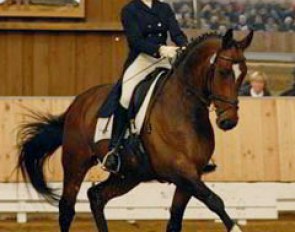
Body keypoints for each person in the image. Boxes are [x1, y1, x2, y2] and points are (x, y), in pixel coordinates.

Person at [102, 0, 188, 173]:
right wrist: (160, 49)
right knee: (125, 97)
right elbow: (135, 41)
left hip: (164, 60)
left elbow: (176, 32)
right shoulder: (129, 10)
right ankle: (114, 150)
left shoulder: (163, 8)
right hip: (142, 59)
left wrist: (184, 46)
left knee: (185, 92)